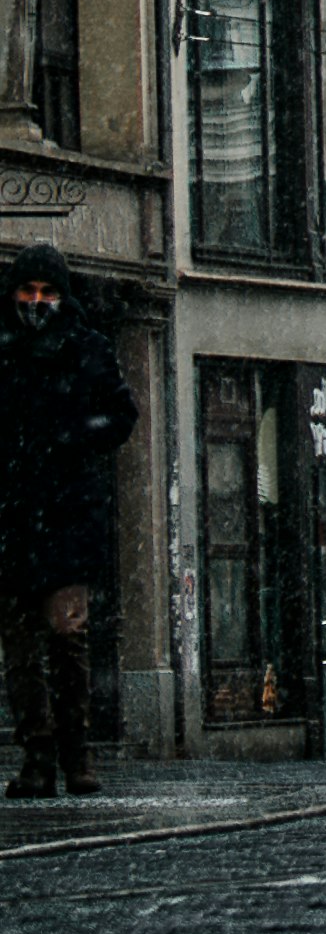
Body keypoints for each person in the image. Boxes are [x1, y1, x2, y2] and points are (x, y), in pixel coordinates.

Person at [1, 249, 135, 800]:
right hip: (11, 522)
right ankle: (37, 756)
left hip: (67, 519)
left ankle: (77, 754)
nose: (36, 302)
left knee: (67, 638)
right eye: (27, 290)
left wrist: (74, 437)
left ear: (62, 295)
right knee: (21, 652)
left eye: (46, 292)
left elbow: (121, 416)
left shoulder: (89, 348)